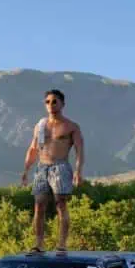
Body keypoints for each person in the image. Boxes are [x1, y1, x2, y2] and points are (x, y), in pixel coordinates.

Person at [21, 88, 84, 254]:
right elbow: (33, 148)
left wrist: (78, 171)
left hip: (60, 167)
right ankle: (39, 244)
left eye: (55, 101)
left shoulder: (71, 127)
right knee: (39, 205)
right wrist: (26, 169)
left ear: (62, 104)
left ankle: (62, 244)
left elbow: (79, 150)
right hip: (42, 167)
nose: (51, 105)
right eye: (47, 102)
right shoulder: (41, 125)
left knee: (60, 204)